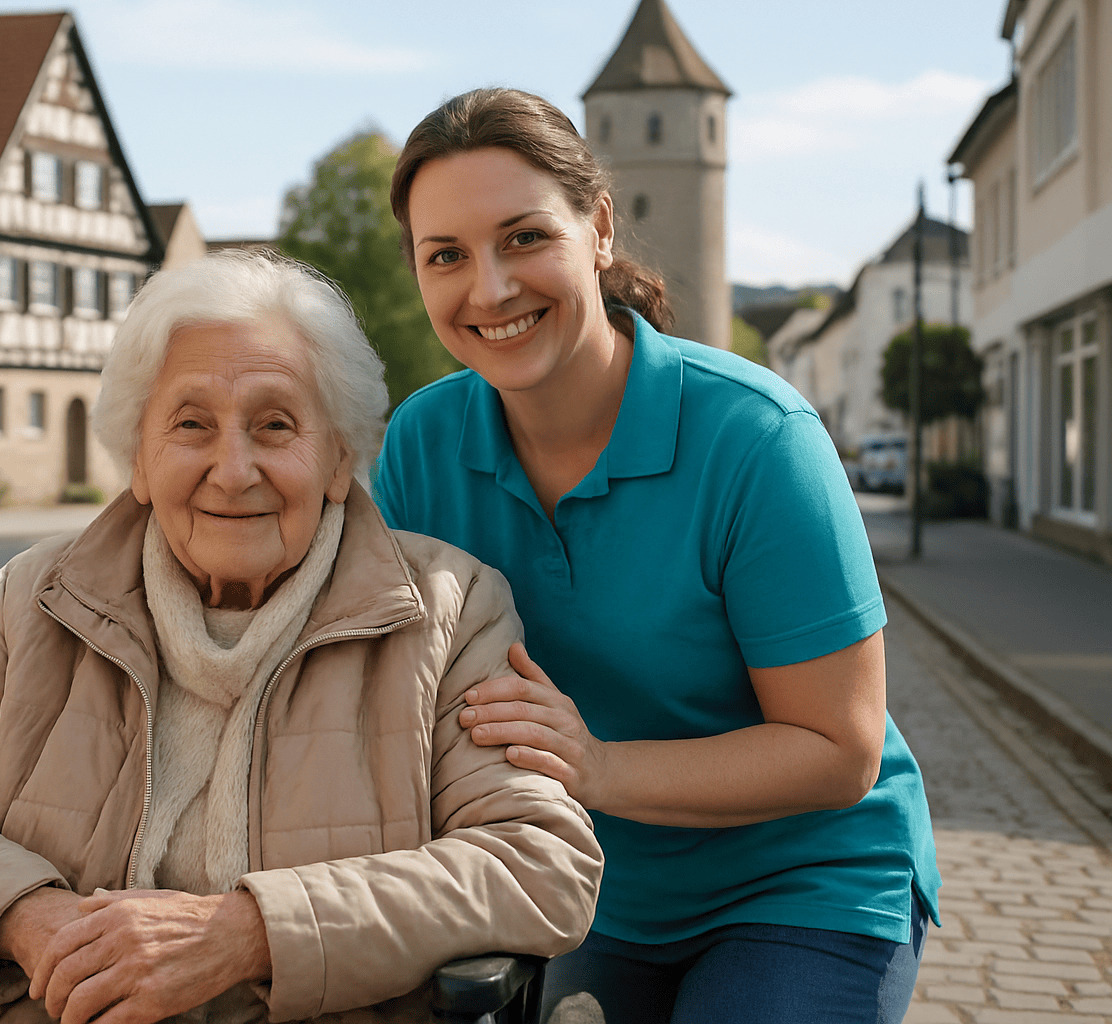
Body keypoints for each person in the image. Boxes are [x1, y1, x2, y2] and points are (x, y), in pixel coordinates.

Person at [0, 250, 602, 1024]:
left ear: (340, 458)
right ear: (139, 457)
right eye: (191, 425)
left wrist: (249, 933)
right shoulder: (36, 599)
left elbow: (538, 863)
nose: (232, 470)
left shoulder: (449, 609)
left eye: (275, 425)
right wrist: (35, 923)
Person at [373, 87, 940, 1024]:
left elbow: (840, 750)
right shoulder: (421, 445)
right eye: (448, 256)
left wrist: (596, 769)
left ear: (597, 229)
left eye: (523, 237)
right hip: (591, 884)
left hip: (804, 882)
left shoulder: (757, 439)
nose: (491, 288)